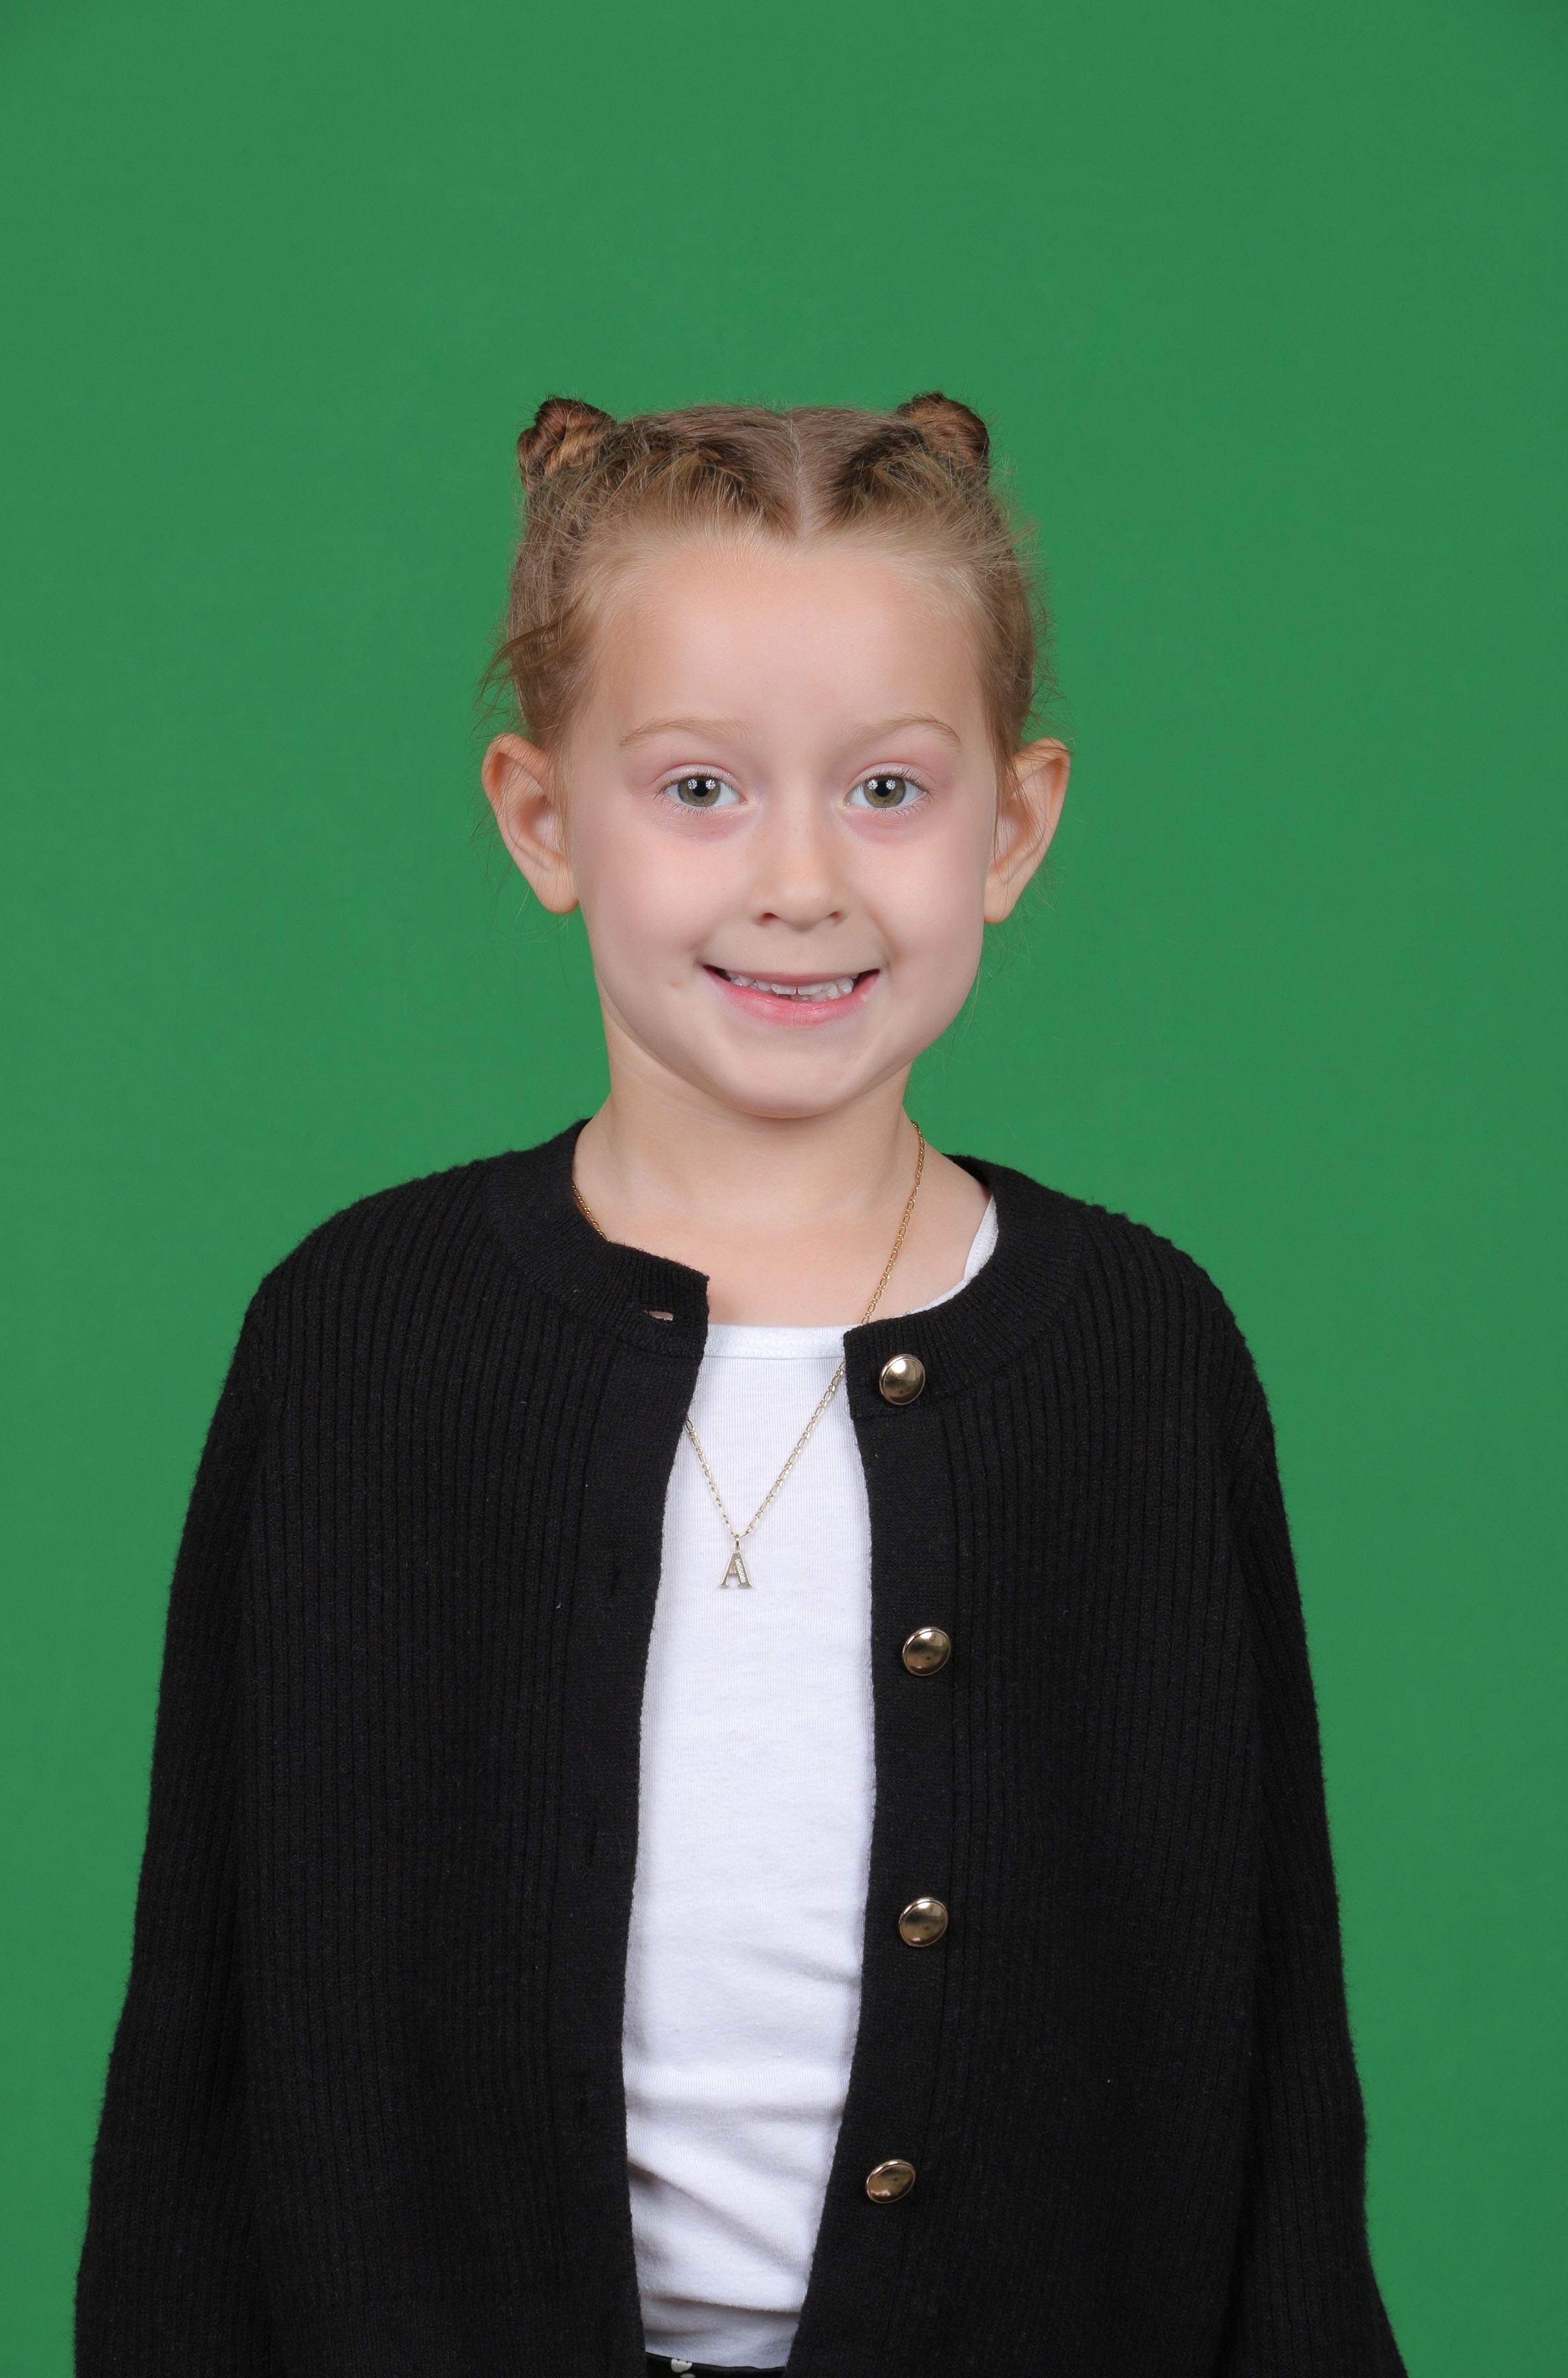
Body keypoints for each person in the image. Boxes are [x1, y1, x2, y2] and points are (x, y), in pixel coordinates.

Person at [76, 395, 1406, 2376]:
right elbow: (203, 2044)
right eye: (699, 788)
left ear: (1014, 825)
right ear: (546, 819)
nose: (800, 879)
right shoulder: (359, 1335)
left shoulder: (1141, 1352)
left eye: (888, 789)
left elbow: (1272, 2050)